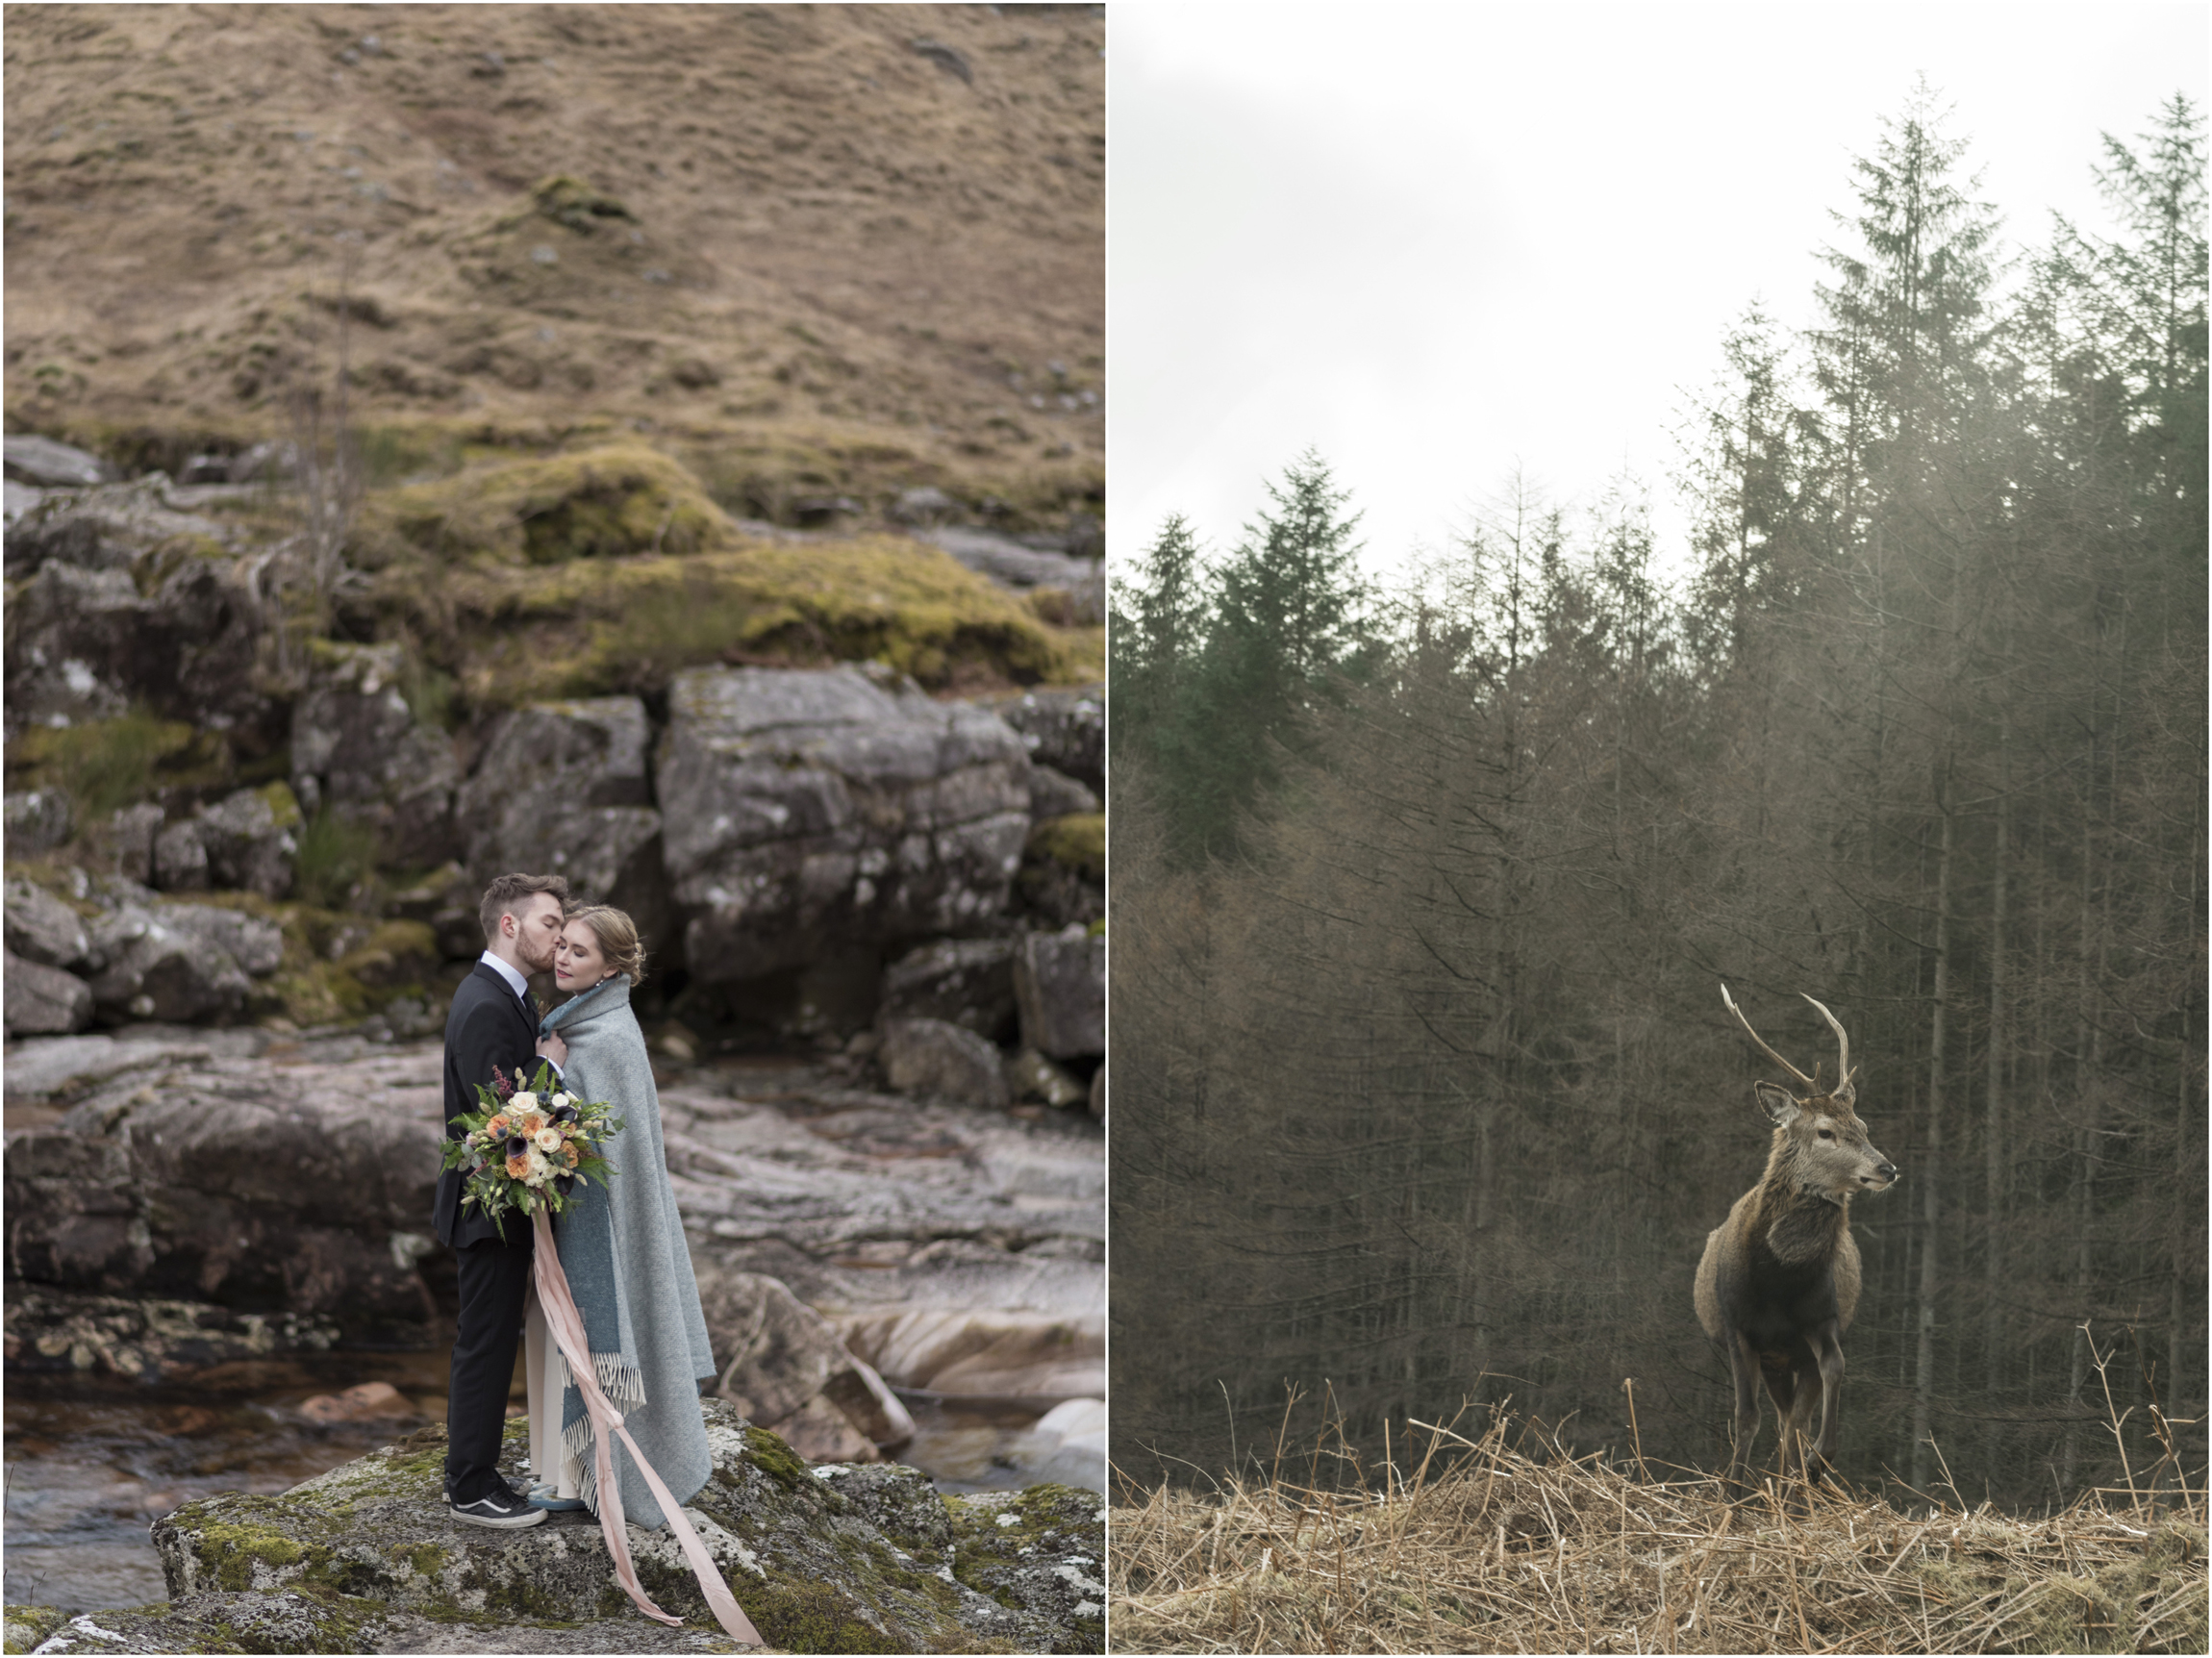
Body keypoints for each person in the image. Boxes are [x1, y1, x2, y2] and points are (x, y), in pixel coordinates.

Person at [521, 904, 717, 1526]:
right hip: (577, 1214)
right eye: (562, 947)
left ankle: (594, 1475)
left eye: (579, 952)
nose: (562, 958)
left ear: (611, 967)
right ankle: (571, 1469)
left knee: (591, 1337)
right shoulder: (577, 1028)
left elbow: (595, 1143)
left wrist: (548, 1074)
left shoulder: (610, 1040)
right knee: (561, 1339)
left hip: (600, 1223)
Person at [435, 872, 572, 1528]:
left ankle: (473, 1471)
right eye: (550, 923)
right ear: (509, 925)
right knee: (486, 1341)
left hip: (500, 1203)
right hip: (486, 1206)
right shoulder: (488, 1003)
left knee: (492, 1337)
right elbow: (503, 1120)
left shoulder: (508, 996)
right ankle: (470, 1486)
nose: (561, 936)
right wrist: (555, 1072)